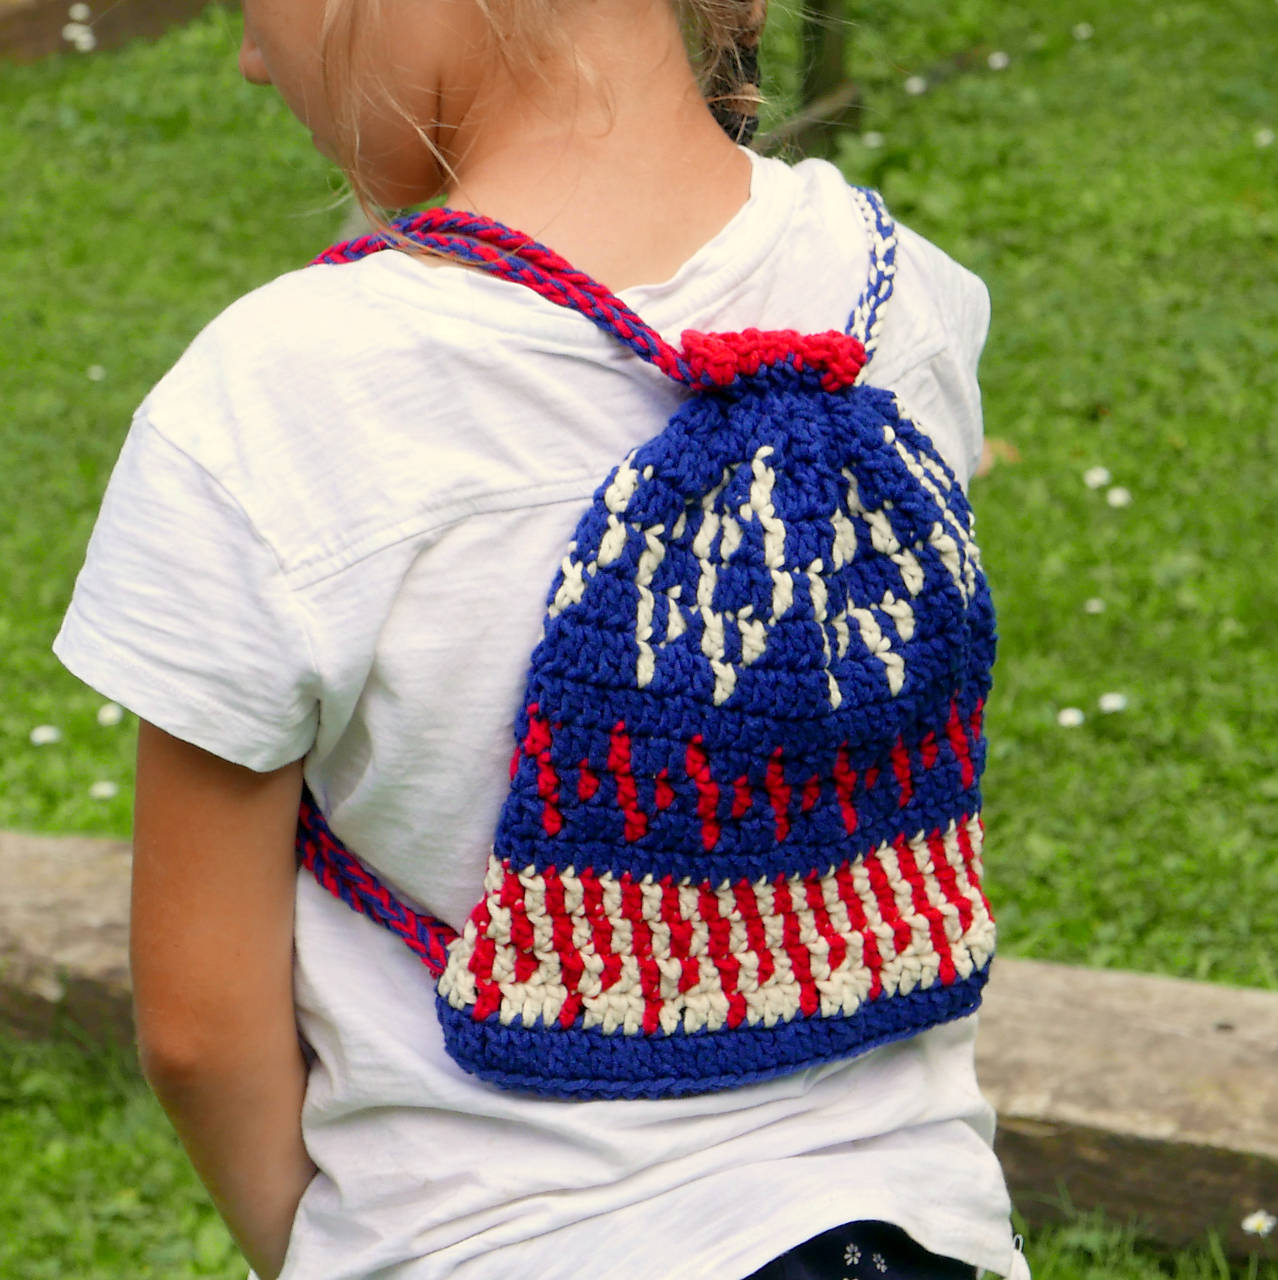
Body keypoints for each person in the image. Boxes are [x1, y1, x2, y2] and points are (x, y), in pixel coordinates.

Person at [55, 1, 1029, 1276]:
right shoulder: (901, 290)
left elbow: (197, 1027)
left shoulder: (279, 398)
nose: (248, 55)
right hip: (904, 1229)